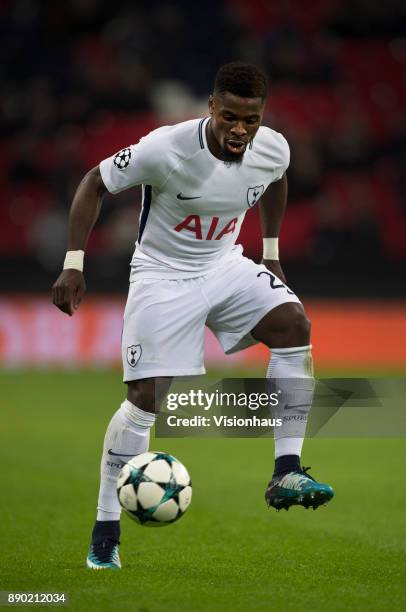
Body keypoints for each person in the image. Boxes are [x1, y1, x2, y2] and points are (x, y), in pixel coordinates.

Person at [52, 61, 333, 570]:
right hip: (162, 275)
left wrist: (269, 251)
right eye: (229, 117)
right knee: (144, 400)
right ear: (211, 106)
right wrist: (74, 263)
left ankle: (286, 471)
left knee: (295, 327)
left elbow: (275, 179)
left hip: (224, 265)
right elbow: (95, 182)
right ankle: (105, 529)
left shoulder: (272, 147)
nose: (239, 130)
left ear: (261, 115)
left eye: (250, 119)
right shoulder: (166, 148)